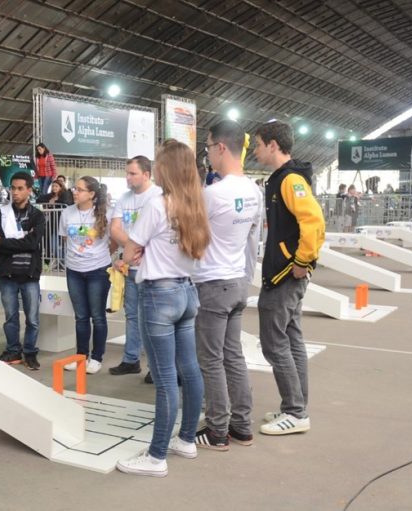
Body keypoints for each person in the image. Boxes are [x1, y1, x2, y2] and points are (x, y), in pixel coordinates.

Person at [116, 139, 210, 477]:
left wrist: (132, 254)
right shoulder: (195, 206)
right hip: (187, 292)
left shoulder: (158, 205)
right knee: (189, 369)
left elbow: (130, 249)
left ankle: (156, 456)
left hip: (159, 295)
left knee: (166, 377)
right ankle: (186, 439)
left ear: (164, 170)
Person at [193, 120, 262, 451]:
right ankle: (242, 426)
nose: (207, 155)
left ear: (221, 147)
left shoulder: (212, 193)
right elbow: (252, 240)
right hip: (237, 280)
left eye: (207, 147)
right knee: (233, 355)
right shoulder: (253, 190)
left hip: (213, 283)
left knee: (210, 359)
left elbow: (192, 240)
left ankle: (217, 430)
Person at [253, 120, 325, 436]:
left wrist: (302, 261)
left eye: (257, 145)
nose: (255, 151)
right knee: (292, 339)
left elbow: (314, 221)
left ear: (272, 144)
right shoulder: (282, 179)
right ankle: (295, 408)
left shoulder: (290, 180)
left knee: (274, 343)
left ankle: (295, 412)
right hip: (285, 271)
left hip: (285, 274)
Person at [108, 156, 162, 377]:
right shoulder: (124, 199)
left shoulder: (158, 196)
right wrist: (135, 247)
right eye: (127, 173)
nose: (127, 177)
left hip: (152, 269)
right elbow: (115, 229)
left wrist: (134, 248)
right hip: (131, 266)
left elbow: (158, 232)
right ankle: (131, 359)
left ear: (146, 175)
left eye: (132, 173)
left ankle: (155, 366)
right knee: (132, 315)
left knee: (155, 320)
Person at [59, 176, 113, 375]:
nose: (75, 192)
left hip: (98, 270)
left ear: (91, 194)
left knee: (97, 316)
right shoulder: (66, 213)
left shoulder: (105, 213)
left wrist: (100, 256)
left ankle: (97, 357)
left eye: (80, 190)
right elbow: (66, 239)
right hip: (74, 270)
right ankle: (80, 356)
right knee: (81, 317)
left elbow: (113, 240)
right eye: (75, 188)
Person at [0, 172, 45, 370]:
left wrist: (6, 242)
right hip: (8, 274)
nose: (15, 192)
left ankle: (30, 352)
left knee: (32, 318)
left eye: (20, 188)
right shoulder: (2, 213)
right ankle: (13, 349)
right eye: (12, 188)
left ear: (29, 190)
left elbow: (33, 243)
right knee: (10, 317)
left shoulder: (37, 215)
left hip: (30, 274)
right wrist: (20, 240)